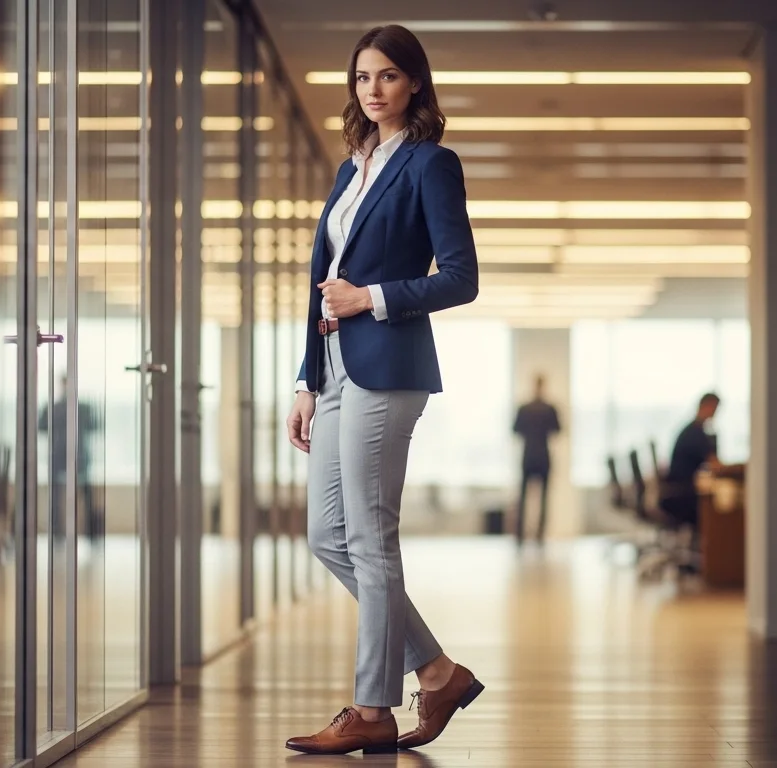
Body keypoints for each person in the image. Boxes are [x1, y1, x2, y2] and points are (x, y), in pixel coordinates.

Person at [283, 24, 482, 756]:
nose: (374, 89)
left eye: (389, 76)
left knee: (370, 538)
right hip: (334, 370)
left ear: (415, 84)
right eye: (363, 76)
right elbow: (319, 287)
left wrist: (372, 298)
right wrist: (307, 377)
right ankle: (436, 671)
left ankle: (372, 709)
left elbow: (460, 278)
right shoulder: (350, 169)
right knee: (327, 537)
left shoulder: (432, 164)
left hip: (389, 364)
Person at [38, 374, 100, 538]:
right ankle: (62, 531)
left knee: (78, 494)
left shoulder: (55, 407)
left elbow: (42, 428)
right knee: (60, 495)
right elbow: (95, 427)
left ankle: (80, 531)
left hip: (70, 456)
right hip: (70, 456)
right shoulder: (81, 407)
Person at [660, 392, 724, 529]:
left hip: (678, 490)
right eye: (715, 408)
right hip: (683, 494)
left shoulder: (692, 429)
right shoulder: (696, 433)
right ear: (707, 406)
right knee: (718, 504)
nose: (715, 413)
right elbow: (715, 465)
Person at [513, 374, 562, 543]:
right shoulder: (549, 409)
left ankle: (522, 535)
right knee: (541, 499)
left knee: (525, 497)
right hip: (542, 455)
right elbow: (557, 430)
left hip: (529, 455)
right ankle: (538, 536)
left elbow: (515, 430)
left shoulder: (524, 408)